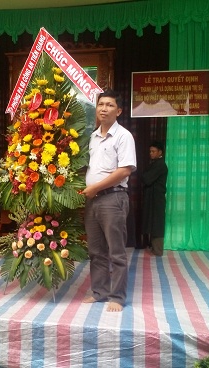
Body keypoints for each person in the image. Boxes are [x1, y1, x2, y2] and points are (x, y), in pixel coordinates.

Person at [82, 90, 137, 312]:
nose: (104, 108)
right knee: (96, 251)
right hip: (93, 201)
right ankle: (99, 292)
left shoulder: (124, 136)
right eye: (101, 104)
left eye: (110, 105)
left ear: (119, 111)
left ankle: (117, 296)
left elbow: (124, 170)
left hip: (113, 199)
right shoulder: (93, 137)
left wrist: (95, 187)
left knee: (116, 252)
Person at [142, 141, 168, 256]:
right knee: (152, 221)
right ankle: (153, 247)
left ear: (160, 152)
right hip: (152, 198)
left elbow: (146, 178)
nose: (151, 153)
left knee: (157, 223)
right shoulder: (155, 164)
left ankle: (157, 250)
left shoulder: (160, 165)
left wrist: (143, 175)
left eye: (153, 151)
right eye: (150, 151)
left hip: (157, 199)